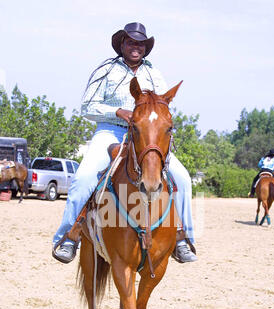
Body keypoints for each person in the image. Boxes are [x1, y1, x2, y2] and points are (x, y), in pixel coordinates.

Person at [52, 22, 197, 264]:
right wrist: (118, 112)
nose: (136, 47)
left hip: (146, 136)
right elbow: (87, 106)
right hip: (111, 132)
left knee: (182, 179)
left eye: (140, 43)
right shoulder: (106, 70)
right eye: (131, 42)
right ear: (122, 44)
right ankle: (68, 236)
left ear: (145, 48)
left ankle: (182, 238)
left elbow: (162, 106)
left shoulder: (154, 74)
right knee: (85, 177)